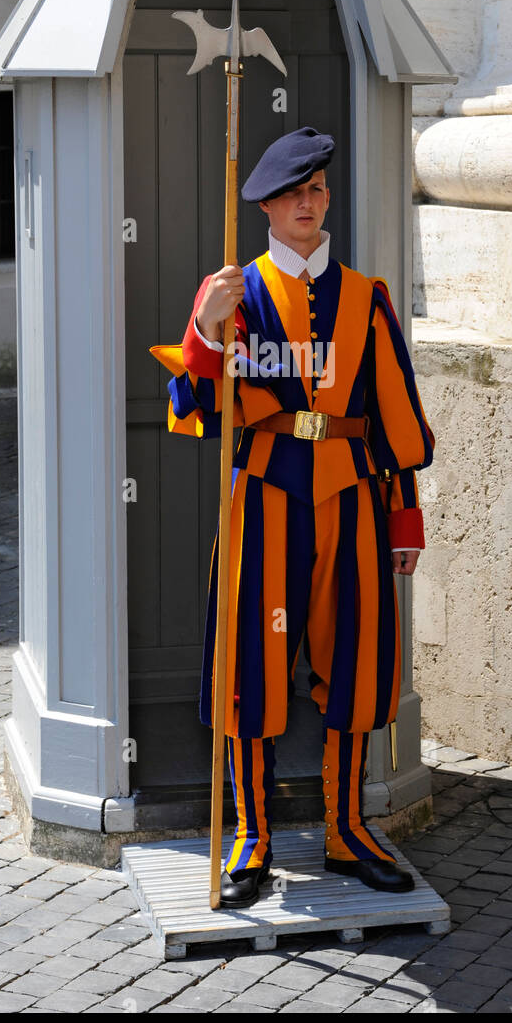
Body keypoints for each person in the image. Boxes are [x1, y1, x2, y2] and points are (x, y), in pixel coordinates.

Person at [149, 126, 435, 907]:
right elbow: (191, 413)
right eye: (289, 193)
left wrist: (404, 521)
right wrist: (206, 329)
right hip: (266, 496)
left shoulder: (367, 299)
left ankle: (347, 830)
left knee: (354, 665)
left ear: (326, 197)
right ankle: (252, 836)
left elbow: (393, 420)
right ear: (266, 206)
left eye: (315, 190)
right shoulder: (232, 296)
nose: (305, 203)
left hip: (353, 500)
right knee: (252, 668)